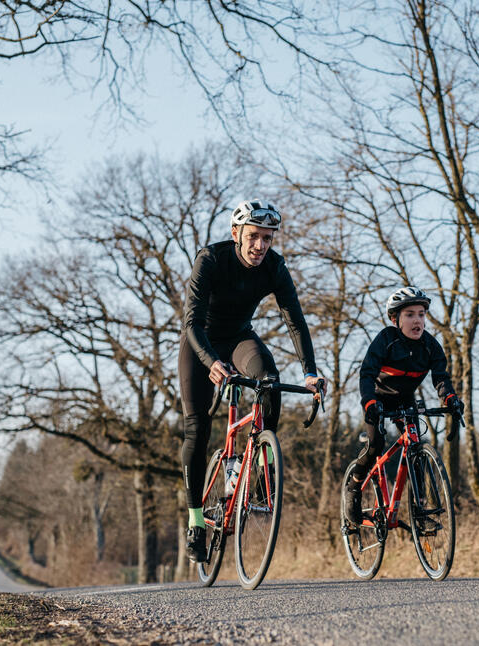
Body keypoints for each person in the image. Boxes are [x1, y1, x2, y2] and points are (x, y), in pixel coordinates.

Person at [179, 199, 325, 562]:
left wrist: (309, 371)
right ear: (236, 234)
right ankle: (196, 519)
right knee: (197, 427)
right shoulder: (210, 259)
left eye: (268, 238)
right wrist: (211, 361)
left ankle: (257, 464)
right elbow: (191, 321)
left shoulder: (275, 267)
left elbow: (295, 320)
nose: (260, 246)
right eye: (254, 236)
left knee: (270, 381)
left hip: (240, 337)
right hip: (201, 342)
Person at [345, 286, 464, 525]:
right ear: (395, 319)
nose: (417, 320)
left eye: (421, 314)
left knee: (416, 447)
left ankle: (419, 511)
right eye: (410, 314)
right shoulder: (386, 340)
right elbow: (367, 373)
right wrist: (369, 402)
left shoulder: (430, 346)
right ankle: (354, 488)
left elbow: (440, 378)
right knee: (376, 446)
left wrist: (450, 398)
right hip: (377, 399)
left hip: (404, 399)